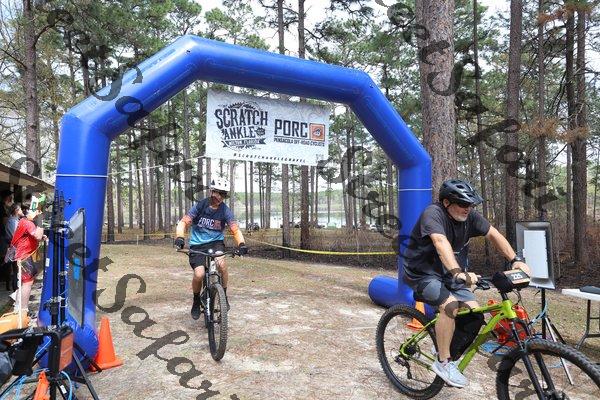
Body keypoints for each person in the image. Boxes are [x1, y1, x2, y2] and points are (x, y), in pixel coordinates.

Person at [403, 179, 531, 388]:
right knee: (450, 306)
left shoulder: (470, 216)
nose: (468, 208)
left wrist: (515, 259)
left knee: (474, 316)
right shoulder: (433, 214)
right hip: (422, 273)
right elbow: (440, 243)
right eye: (463, 204)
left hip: (450, 275)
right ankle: (443, 363)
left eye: (470, 204)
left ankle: (445, 353)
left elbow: (494, 235)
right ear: (446, 202)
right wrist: (458, 272)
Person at [174, 178, 248, 319]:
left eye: (223, 194)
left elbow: (235, 229)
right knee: (199, 274)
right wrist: (180, 237)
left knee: (222, 265)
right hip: (197, 244)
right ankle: (196, 300)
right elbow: (183, 222)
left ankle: (223, 295)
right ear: (211, 191)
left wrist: (241, 244)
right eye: (217, 193)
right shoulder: (200, 206)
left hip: (216, 243)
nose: (219, 197)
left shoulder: (225, 211)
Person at [9, 204, 46, 313]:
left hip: (22, 255)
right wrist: (41, 220)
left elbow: (33, 236)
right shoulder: (27, 223)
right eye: (36, 212)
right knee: (27, 283)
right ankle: (24, 310)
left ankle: (18, 307)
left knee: (23, 282)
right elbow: (37, 236)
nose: (37, 214)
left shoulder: (24, 221)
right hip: (24, 256)